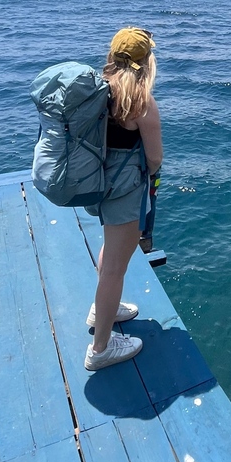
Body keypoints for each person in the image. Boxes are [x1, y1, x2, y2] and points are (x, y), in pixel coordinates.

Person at [84, 27, 163, 371]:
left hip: (98, 182)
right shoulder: (141, 102)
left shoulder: (97, 90)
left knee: (111, 250)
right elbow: (155, 158)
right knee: (116, 268)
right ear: (145, 63)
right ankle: (100, 348)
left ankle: (104, 309)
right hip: (125, 190)